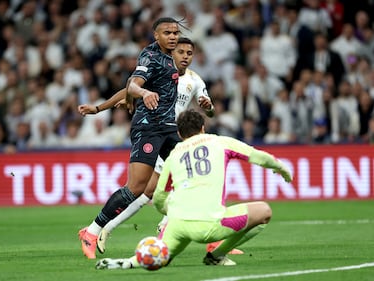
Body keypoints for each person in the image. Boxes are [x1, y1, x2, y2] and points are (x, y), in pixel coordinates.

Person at [95, 109, 292, 269]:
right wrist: (281, 168)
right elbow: (257, 156)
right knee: (264, 211)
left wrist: (168, 212)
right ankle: (216, 255)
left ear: (179, 134)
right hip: (211, 225)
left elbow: (160, 195)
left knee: (161, 256)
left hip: (177, 226)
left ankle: (127, 263)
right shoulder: (220, 142)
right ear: (203, 128)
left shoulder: (173, 155)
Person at [77, 37, 216, 256]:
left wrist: (208, 108)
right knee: (142, 189)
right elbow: (129, 90)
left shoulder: (195, 80)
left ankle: (183, 230)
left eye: (189, 53)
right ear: (172, 53)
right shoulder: (158, 70)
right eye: (181, 52)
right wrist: (98, 108)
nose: (185, 56)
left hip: (174, 136)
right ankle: (105, 228)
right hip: (154, 132)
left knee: (190, 179)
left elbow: (208, 108)